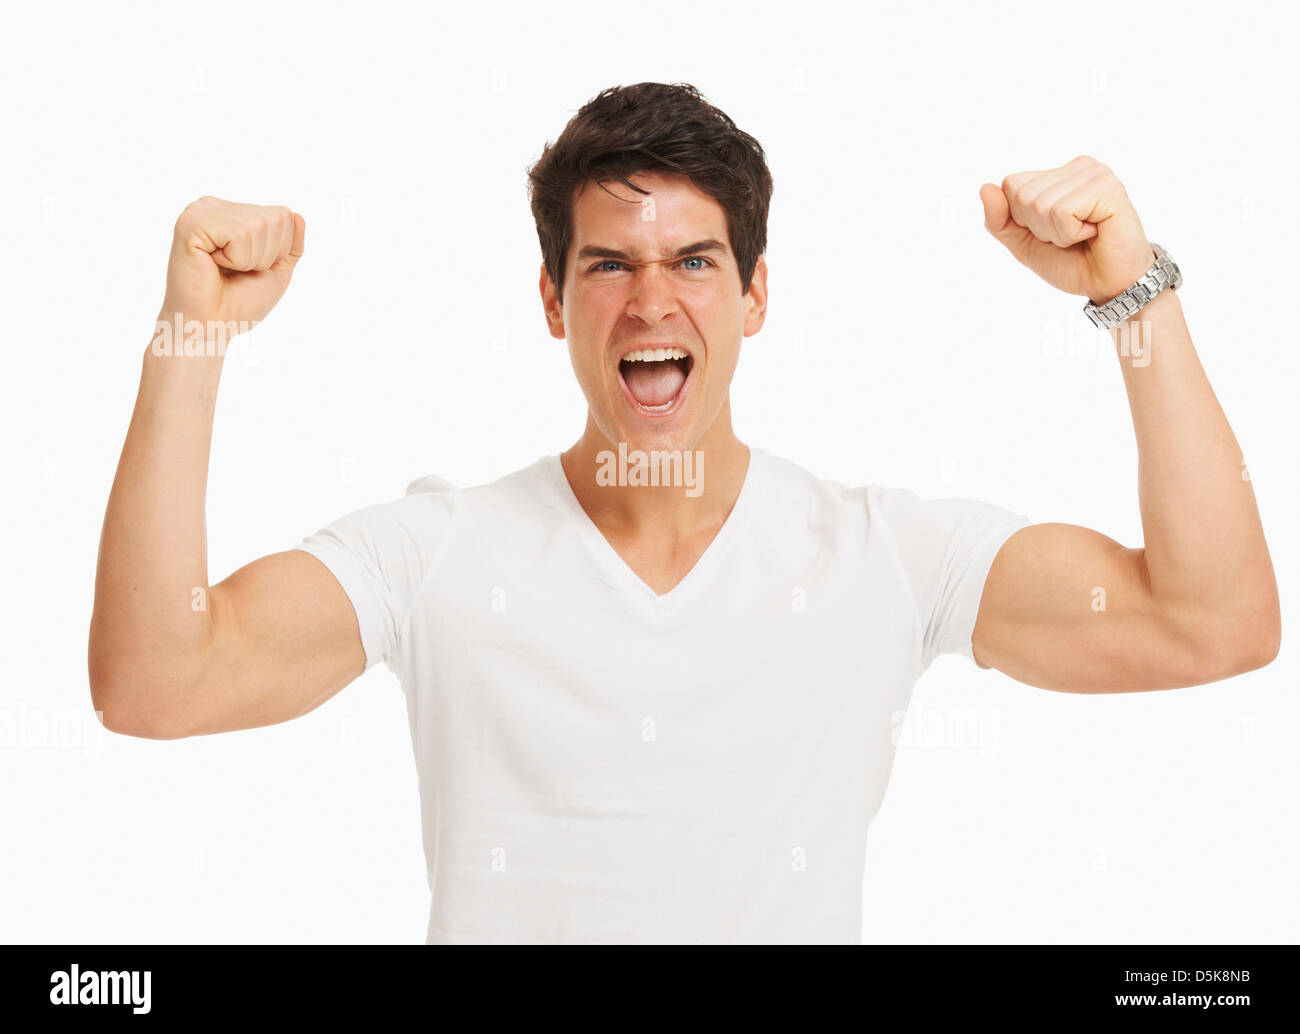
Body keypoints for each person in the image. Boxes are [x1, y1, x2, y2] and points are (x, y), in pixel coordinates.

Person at [88, 82, 1280, 944]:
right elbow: (155, 680)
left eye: (695, 262)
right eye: (608, 264)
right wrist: (195, 338)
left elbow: (1208, 622)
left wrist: (1134, 297)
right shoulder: (436, 555)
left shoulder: (883, 556)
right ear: (552, 300)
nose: (651, 301)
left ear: (755, 294)